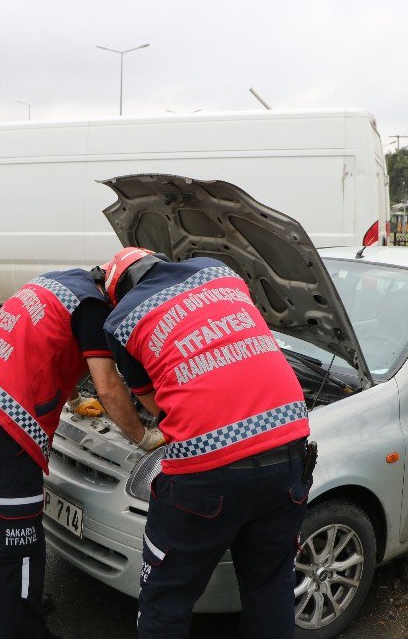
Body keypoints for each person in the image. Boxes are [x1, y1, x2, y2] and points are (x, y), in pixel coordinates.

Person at [98, 247, 312, 639]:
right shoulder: (219, 271)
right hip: (288, 451)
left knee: (167, 596)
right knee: (270, 587)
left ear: (118, 290)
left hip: (206, 474)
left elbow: (152, 402)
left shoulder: (121, 317)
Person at [0, 268, 163, 638]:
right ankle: (24, 627)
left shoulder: (64, 281)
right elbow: (109, 388)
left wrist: (73, 398)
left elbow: (42, 342)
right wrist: (143, 437)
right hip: (2, 420)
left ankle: (2, 607)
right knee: (20, 533)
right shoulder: (94, 309)